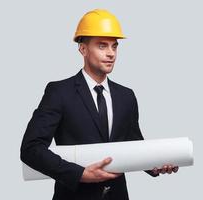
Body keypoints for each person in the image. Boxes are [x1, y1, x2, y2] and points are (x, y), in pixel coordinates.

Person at [20, 9, 178, 200]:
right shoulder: (59, 92)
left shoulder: (126, 96)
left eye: (114, 46)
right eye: (102, 46)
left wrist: (157, 165)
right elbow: (31, 149)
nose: (111, 54)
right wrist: (79, 174)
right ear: (83, 49)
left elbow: (134, 145)